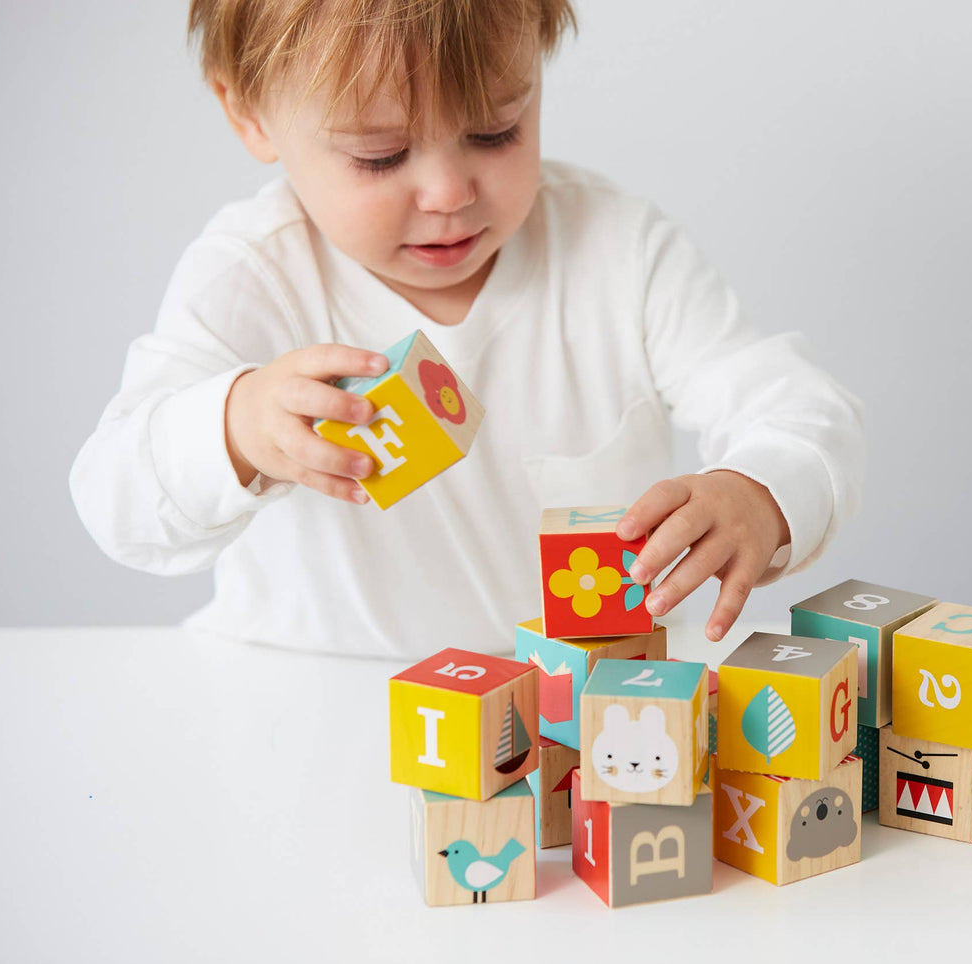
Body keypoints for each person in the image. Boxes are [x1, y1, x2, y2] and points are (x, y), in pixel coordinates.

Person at [70, 0, 864, 659]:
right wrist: (238, 426)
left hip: (576, 718)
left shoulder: (617, 248)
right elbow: (116, 503)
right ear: (249, 116)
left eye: (495, 132)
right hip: (307, 695)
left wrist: (760, 490)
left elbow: (794, 407)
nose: (448, 192)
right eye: (380, 156)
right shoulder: (253, 275)